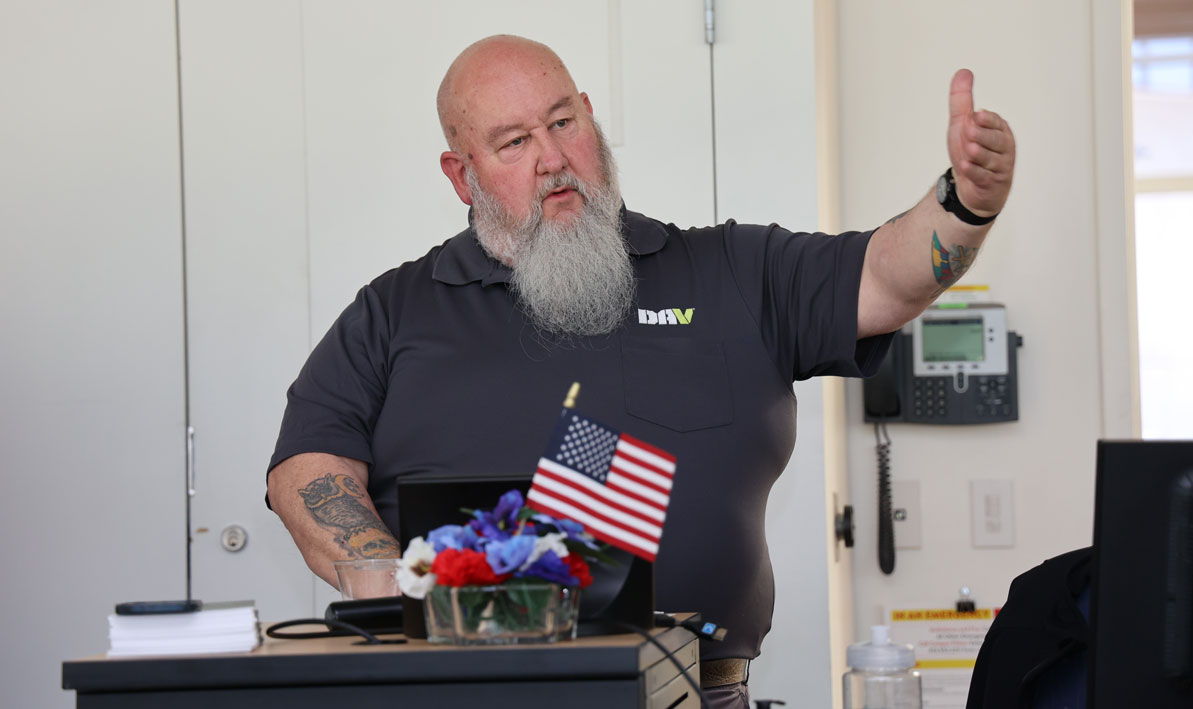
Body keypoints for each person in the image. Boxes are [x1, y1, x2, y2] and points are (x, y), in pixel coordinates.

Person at [266, 35, 1015, 707]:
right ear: (460, 176)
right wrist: (383, 578)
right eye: (513, 142)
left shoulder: (731, 270)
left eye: (563, 122)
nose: (552, 157)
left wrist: (964, 205)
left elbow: (886, 279)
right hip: (461, 691)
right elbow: (307, 463)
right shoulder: (394, 310)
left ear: (590, 118)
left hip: (691, 692)